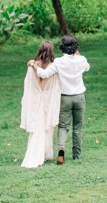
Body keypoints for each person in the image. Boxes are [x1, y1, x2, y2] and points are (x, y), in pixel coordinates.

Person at [34, 35, 89, 164]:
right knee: (77, 126)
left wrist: (33, 64)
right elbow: (87, 67)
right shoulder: (82, 60)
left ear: (62, 47)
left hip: (64, 98)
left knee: (63, 126)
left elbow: (43, 74)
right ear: (76, 47)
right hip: (79, 97)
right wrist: (77, 53)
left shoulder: (59, 62)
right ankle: (76, 154)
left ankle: (61, 150)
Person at [20, 40, 62, 168]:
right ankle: (42, 153)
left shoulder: (33, 65)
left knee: (39, 126)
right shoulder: (53, 66)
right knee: (45, 127)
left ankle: (44, 153)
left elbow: (30, 85)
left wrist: (32, 63)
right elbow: (48, 85)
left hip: (36, 99)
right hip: (47, 99)